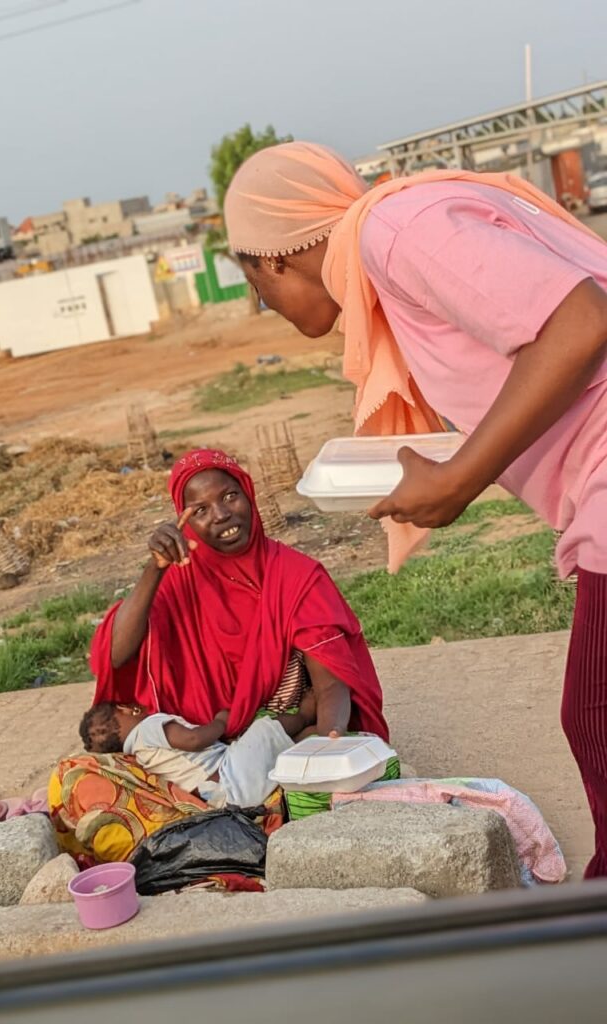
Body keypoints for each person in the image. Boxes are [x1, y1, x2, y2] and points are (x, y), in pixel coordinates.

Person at [223, 141, 607, 878]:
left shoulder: (393, 233)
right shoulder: (390, 248)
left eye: (254, 286)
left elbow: (581, 322)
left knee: (597, 717)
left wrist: (460, 477)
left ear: (270, 259)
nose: (265, 308)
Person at [88, 448, 388, 745]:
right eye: (200, 510)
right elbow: (115, 656)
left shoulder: (296, 576)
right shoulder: (179, 579)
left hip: (282, 734)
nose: (222, 515)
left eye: (230, 496)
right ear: (184, 520)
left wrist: (331, 745)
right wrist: (154, 570)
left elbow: (331, 683)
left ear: (248, 494)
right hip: (200, 743)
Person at [79, 691, 317, 808]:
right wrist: (220, 723)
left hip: (225, 800)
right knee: (263, 731)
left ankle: (313, 735)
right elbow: (193, 740)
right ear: (125, 709)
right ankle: (306, 715)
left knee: (280, 745)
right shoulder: (147, 728)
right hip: (230, 777)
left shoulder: (139, 755)